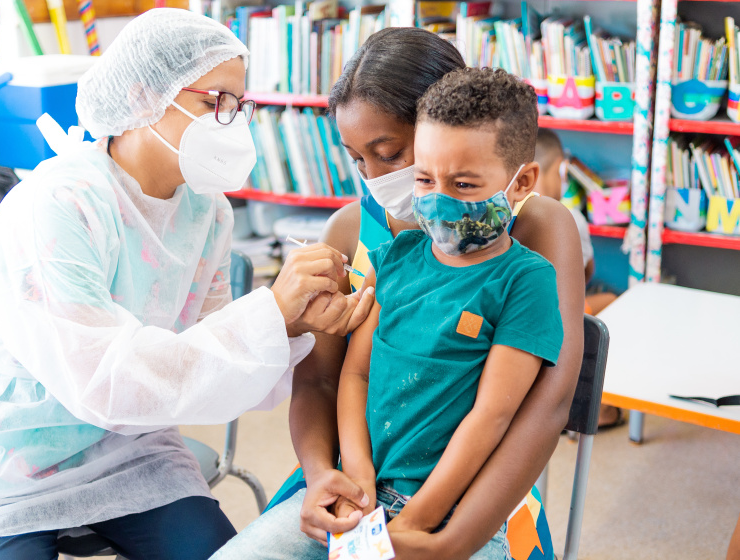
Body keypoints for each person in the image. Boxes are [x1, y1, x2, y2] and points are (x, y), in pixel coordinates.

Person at [0, 9, 373, 560]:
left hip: (130, 450)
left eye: (238, 106)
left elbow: (207, 359)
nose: (233, 124)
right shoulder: (59, 206)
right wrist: (271, 310)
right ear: (145, 94)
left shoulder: (210, 213)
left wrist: (293, 321)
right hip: (0, 455)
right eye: (214, 103)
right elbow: (103, 383)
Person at [212, 27, 584, 560]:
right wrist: (322, 474)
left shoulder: (537, 230)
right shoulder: (349, 233)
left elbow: (546, 406)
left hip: (475, 498)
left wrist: (452, 537)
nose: (374, 179)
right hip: (356, 479)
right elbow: (321, 380)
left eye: (388, 154)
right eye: (357, 159)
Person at [332, 67, 564, 559]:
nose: (437, 200)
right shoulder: (392, 258)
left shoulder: (527, 279)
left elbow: (492, 415)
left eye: (462, 184)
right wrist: (357, 478)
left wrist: (414, 524)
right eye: (423, 178)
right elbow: (353, 375)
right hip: (361, 497)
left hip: (449, 511)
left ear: (520, 182)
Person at [533, 129, 623, 429]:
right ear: (561, 168)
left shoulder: (503, 214)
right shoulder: (571, 217)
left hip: (525, 319)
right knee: (610, 301)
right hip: (560, 322)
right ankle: (600, 404)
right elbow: (585, 274)